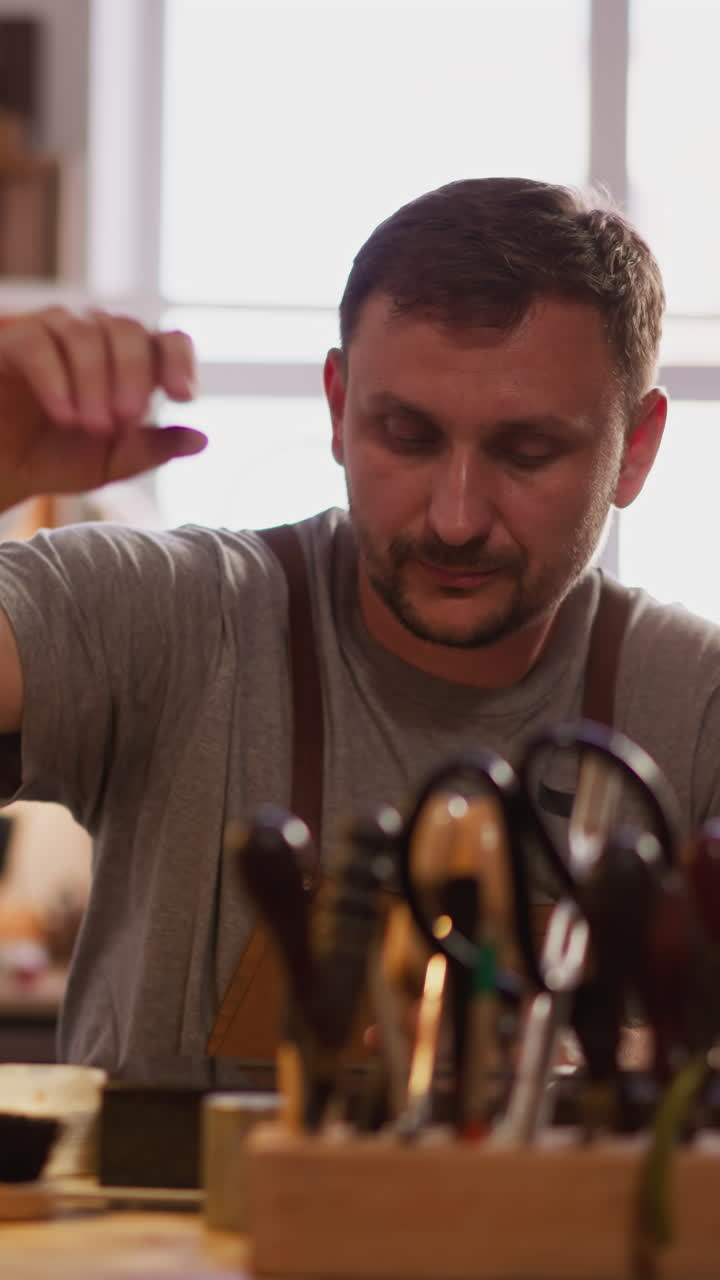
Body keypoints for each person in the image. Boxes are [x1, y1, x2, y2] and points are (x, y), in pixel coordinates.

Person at [0, 177, 718, 1088]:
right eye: (407, 437)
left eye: (527, 451)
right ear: (339, 408)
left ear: (638, 446)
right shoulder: (167, 620)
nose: (456, 518)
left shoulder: (696, 708)